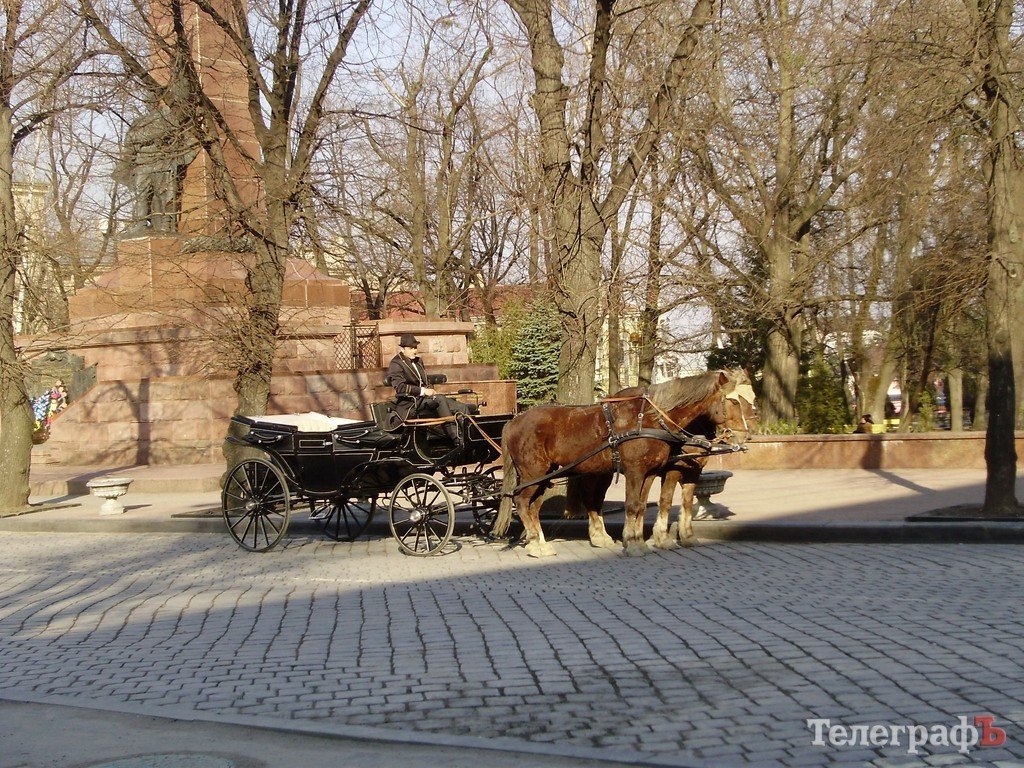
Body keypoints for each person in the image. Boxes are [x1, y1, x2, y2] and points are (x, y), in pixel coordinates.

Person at [386, 333, 471, 444]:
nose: (414, 351)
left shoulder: (418, 361)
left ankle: (470, 436)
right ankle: (456, 439)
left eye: (415, 347)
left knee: (461, 407)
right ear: (403, 349)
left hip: (427, 399)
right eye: (411, 348)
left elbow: (425, 380)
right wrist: (423, 391)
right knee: (439, 399)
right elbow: (400, 388)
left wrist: (430, 389)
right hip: (411, 402)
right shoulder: (396, 363)